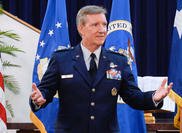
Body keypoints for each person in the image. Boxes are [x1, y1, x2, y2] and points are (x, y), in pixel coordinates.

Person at [30, 5, 173, 133]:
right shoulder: (61, 59)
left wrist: (154, 97)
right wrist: (39, 98)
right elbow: (46, 91)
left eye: (104, 24)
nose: (102, 30)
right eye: (95, 25)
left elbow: (133, 97)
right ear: (81, 28)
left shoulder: (119, 61)